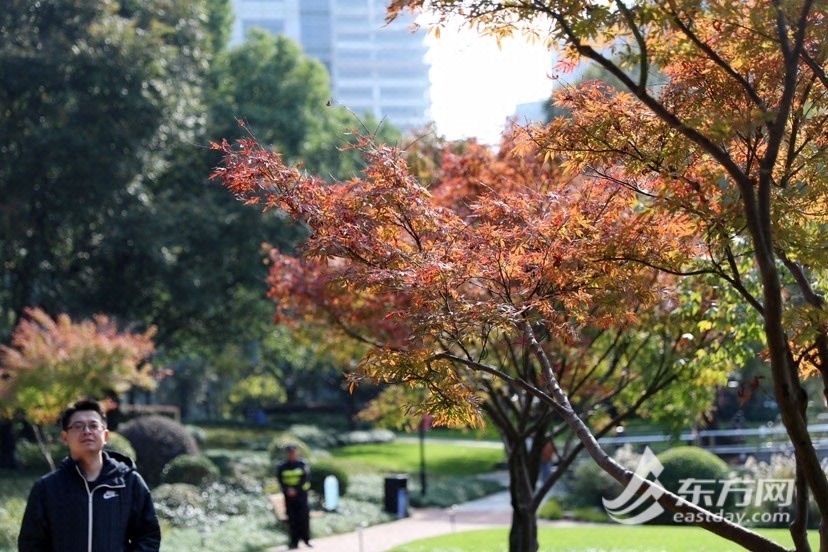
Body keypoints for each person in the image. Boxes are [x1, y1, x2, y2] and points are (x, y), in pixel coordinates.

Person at [18, 398, 161, 552]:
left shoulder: (129, 483)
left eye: (93, 425)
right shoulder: (47, 488)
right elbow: (31, 543)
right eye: (78, 426)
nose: (87, 431)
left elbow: (148, 536)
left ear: (105, 436)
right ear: (65, 438)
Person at [276, 444, 312, 549]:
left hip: (301, 495)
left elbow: (306, 478)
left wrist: (296, 489)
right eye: (290, 452)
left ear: (297, 452)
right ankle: (294, 542)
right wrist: (288, 489)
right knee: (292, 519)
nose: (292, 454)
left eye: (294, 452)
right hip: (289, 496)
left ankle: (306, 540)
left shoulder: (302, 464)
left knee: (304, 517)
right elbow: (280, 480)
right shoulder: (282, 466)